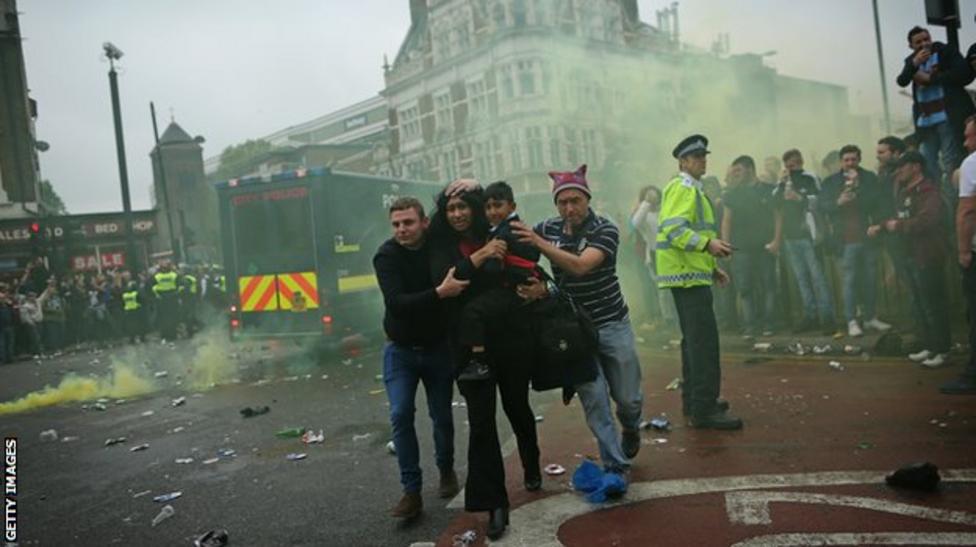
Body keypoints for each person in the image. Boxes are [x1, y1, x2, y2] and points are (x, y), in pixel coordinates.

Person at [428, 183, 541, 540]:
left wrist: (539, 288)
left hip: (509, 338)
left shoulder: (497, 229)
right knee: (481, 424)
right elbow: (450, 279)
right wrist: (478, 258)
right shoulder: (441, 244)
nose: (458, 214)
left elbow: (532, 263)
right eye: (450, 209)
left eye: (464, 206)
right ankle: (495, 503)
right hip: (467, 346)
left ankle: (531, 462)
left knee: (518, 407)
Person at [513, 164, 644, 468]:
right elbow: (518, 253)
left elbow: (581, 266)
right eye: (562, 202)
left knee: (628, 399)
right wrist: (540, 287)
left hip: (612, 323)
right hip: (573, 331)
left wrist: (541, 245)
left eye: (575, 201)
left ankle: (631, 426)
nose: (569, 208)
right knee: (595, 400)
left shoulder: (606, 229)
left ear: (587, 199)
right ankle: (615, 465)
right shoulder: (546, 229)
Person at [373, 196, 463, 520]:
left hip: (439, 348)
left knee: (441, 415)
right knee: (400, 415)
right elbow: (397, 303)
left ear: (424, 222)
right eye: (396, 224)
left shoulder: (437, 244)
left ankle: (446, 469)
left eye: (408, 222)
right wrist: (440, 292)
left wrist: (464, 187)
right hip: (400, 351)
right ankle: (411, 492)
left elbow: (452, 210)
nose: (402, 229)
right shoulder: (386, 256)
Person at [655, 135, 742, 430]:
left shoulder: (691, 189)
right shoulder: (683, 188)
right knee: (703, 343)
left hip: (690, 274)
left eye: (704, 155)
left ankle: (695, 401)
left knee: (693, 342)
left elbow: (691, 234)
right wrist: (709, 247)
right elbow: (674, 230)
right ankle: (704, 408)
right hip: (687, 277)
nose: (703, 160)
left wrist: (711, 267)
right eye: (696, 157)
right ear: (683, 161)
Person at [454, 181, 541, 382]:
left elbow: (494, 267)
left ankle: (479, 360)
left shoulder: (504, 232)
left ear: (512, 206)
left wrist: (482, 264)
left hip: (512, 288)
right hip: (517, 287)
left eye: (498, 205)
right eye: (488, 207)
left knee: (473, 311)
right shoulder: (510, 228)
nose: (493, 211)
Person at [869, 151, 949, 367]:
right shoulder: (905, 192)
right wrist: (886, 225)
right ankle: (930, 346)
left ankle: (942, 350)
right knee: (922, 304)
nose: (899, 171)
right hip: (911, 255)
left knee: (934, 305)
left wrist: (899, 226)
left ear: (916, 167)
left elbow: (928, 220)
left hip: (928, 254)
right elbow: (900, 218)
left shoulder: (928, 191)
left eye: (903, 167)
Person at [821, 144, 891, 337]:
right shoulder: (830, 182)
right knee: (849, 281)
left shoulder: (868, 178)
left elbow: (877, 202)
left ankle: (870, 318)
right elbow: (822, 206)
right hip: (844, 240)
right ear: (841, 161)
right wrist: (838, 202)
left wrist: (858, 186)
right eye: (846, 160)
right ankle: (851, 320)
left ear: (859, 160)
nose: (850, 163)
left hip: (867, 237)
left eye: (853, 159)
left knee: (870, 280)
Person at [896, 26, 976, 184]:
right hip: (926, 122)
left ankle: (953, 195)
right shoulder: (911, 61)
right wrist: (914, 64)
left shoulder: (945, 51)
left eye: (926, 39)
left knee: (950, 160)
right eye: (918, 42)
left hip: (948, 117)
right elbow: (901, 80)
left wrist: (931, 79)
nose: (924, 44)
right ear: (911, 46)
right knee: (927, 162)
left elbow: (963, 74)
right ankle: (935, 195)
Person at [771, 149, 836, 334]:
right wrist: (781, 183)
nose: (790, 167)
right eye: (787, 164)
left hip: (809, 235)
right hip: (791, 237)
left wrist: (800, 197)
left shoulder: (810, 177)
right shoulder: (783, 182)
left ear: (800, 161)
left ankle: (827, 318)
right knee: (801, 278)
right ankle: (810, 316)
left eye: (793, 163)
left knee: (818, 277)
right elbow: (774, 202)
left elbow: (821, 201)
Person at [721, 155, 777, 337]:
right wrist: (725, 246)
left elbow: (778, 216)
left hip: (764, 246)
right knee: (745, 289)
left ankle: (769, 324)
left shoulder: (768, 190)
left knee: (768, 286)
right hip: (741, 249)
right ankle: (750, 326)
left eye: (738, 170)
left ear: (750, 169)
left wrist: (777, 240)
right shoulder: (732, 195)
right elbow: (726, 221)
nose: (736, 174)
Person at [942, 115, 976, 394]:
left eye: (968, 136)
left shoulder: (972, 163)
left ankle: (973, 374)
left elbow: (966, 211)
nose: (965, 143)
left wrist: (964, 250)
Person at [152, 261, 180, 341]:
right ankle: (172, 334)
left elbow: (151, 287)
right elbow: (180, 285)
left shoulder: (157, 276)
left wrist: (156, 295)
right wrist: (177, 294)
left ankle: (165, 335)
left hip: (162, 299)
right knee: (172, 317)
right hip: (172, 298)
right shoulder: (174, 275)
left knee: (163, 318)